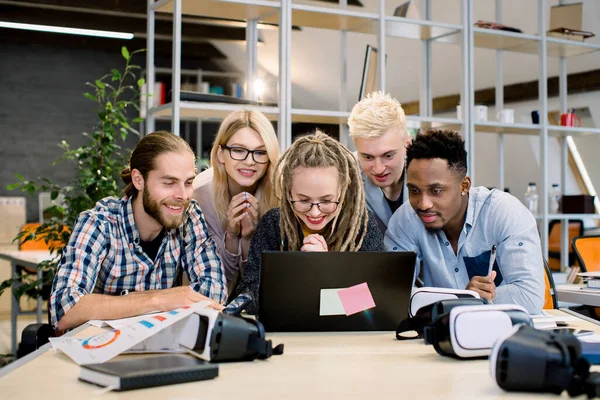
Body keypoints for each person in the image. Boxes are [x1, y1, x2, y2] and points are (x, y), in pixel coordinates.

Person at [50, 131, 227, 331]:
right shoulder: (99, 224)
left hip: (160, 349)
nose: (183, 195)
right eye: (169, 183)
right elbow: (64, 310)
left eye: (188, 182)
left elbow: (214, 291)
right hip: (99, 350)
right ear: (138, 180)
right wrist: (159, 299)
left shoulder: (189, 216)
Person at [384, 129, 544, 314]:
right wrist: (462, 299)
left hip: (507, 330)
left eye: (436, 191)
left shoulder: (504, 212)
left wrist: (468, 301)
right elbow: (392, 295)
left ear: (464, 186)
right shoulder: (405, 220)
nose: (423, 204)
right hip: (439, 335)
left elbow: (530, 297)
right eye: (414, 190)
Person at [234, 130, 384, 315]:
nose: (314, 212)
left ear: (343, 190)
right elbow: (247, 297)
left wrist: (326, 269)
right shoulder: (274, 224)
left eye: (327, 201)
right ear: (289, 191)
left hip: (346, 339)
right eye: (303, 201)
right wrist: (303, 273)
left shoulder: (362, 226)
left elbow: (374, 299)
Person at [193, 110, 280, 294]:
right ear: (220, 154)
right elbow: (214, 279)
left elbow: (268, 282)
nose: (249, 161)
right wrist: (232, 238)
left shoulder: (279, 196)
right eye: (238, 150)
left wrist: (250, 238)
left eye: (260, 152)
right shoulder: (200, 195)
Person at [348, 91, 411, 233]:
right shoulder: (344, 178)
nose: (378, 169)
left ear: (407, 144)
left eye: (388, 156)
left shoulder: (429, 171)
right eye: (367, 157)